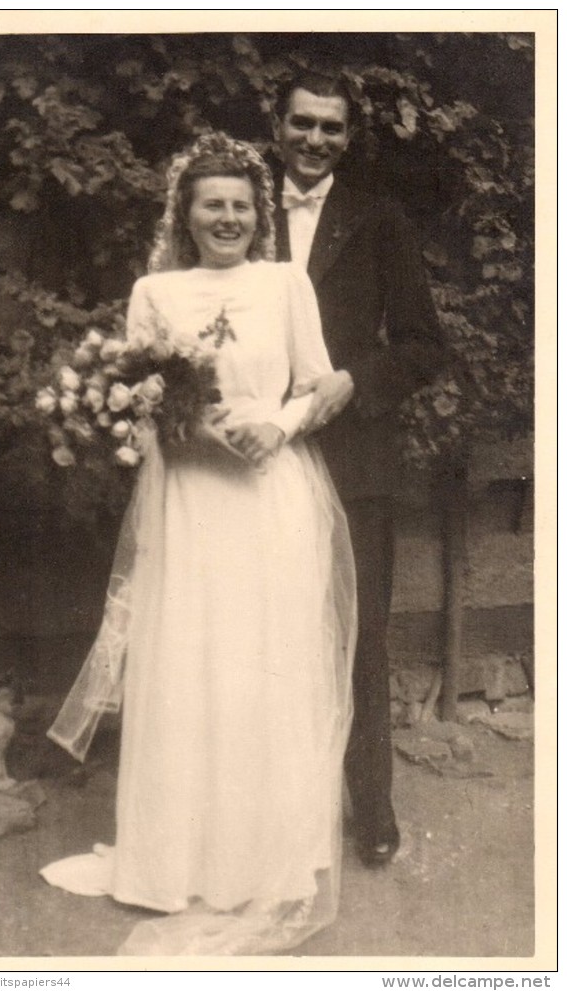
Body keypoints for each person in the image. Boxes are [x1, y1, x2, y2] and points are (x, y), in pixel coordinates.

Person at [41, 132, 357, 956]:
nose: (228, 217)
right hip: (188, 500)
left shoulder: (285, 283)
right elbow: (141, 403)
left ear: (261, 215)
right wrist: (195, 429)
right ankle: (171, 861)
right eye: (211, 203)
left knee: (263, 663)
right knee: (188, 663)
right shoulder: (155, 292)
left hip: (268, 492)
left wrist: (277, 425)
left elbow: (320, 381)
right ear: (185, 211)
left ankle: (262, 862)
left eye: (242, 205)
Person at [271, 73, 446, 867]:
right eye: (301, 124)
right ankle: (269, 809)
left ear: (348, 138)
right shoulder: (238, 207)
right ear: (277, 126)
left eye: (330, 129)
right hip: (256, 454)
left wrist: (355, 380)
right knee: (259, 631)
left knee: (360, 633)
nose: (314, 140)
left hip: (353, 457)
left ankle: (370, 808)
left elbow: (421, 343)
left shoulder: (378, 219)